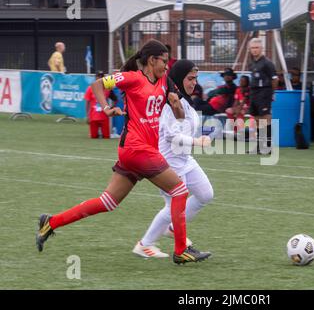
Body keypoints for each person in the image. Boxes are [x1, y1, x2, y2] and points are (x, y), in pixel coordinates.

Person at [36, 39, 211, 264]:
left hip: (138, 152)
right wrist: (106, 107)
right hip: (137, 149)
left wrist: (176, 104)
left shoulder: (164, 81)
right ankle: (180, 251)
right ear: (151, 60)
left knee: (107, 202)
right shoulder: (132, 78)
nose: (167, 67)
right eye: (164, 62)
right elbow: (98, 85)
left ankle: (50, 223)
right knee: (179, 192)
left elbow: (178, 115)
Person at [133, 59, 214, 258]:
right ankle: (145, 244)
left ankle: (172, 229)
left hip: (185, 160)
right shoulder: (172, 102)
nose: (194, 82)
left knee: (205, 194)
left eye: (195, 78)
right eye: (190, 78)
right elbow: (172, 136)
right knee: (172, 207)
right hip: (167, 163)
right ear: (179, 79)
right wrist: (197, 141)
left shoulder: (186, 101)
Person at [247, 37, 278, 154]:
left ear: (261, 49)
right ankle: (259, 147)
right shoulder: (252, 63)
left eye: (256, 48)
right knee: (257, 120)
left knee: (266, 119)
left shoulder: (267, 63)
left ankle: (268, 146)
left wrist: (272, 93)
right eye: (252, 48)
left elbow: (275, 79)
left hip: (264, 92)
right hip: (254, 93)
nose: (254, 50)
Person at [84, 71, 118, 139]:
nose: (99, 78)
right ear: (96, 78)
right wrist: (88, 116)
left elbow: (115, 99)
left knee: (106, 137)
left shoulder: (107, 88)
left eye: (101, 77)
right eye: (98, 76)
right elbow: (87, 103)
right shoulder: (90, 88)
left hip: (104, 117)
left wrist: (112, 108)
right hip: (93, 117)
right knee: (93, 137)